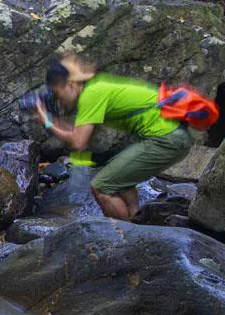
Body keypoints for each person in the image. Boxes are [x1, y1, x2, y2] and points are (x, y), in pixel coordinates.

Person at [34, 54, 194, 221]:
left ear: (69, 85)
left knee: (102, 187)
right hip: (175, 136)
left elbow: (78, 142)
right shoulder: (97, 86)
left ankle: (124, 237)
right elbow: (80, 136)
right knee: (118, 173)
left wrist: (47, 122)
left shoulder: (92, 94)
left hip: (165, 139)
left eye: (57, 94)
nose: (59, 100)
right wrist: (52, 121)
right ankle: (136, 219)